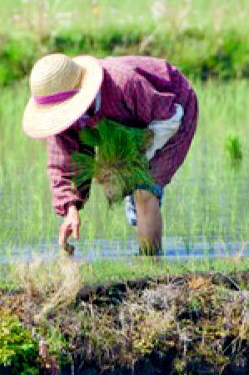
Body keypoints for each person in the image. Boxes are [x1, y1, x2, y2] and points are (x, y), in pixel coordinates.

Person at [22, 54, 199, 255]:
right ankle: (146, 250)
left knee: (143, 191)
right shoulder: (61, 121)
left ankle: (151, 264)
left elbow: (170, 117)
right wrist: (70, 209)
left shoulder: (123, 84)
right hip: (123, 123)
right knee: (134, 193)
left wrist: (131, 163)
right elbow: (64, 163)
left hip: (172, 111)